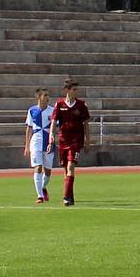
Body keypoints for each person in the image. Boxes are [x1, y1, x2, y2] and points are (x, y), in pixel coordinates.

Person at [49, 78, 91, 206]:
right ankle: (70, 198)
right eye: (74, 89)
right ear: (67, 90)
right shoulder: (59, 104)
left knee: (70, 166)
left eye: (76, 89)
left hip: (76, 141)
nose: (76, 91)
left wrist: (87, 141)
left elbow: (86, 124)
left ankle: (66, 197)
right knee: (65, 170)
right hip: (63, 140)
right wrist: (51, 134)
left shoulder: (81, 105)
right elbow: (54, 121)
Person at [24, 88, 54, 203]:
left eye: (48, 95)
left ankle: (43, 187)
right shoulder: (32, 110)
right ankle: (39, 196)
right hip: (36, 141)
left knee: (48, 172)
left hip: (48, 143)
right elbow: (29, 128)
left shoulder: (52, 111)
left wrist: (52, 140)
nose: (48, 98)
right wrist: (27, 146)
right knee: (38, 167)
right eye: (45, 95)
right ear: (39, 97)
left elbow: (54, 127)